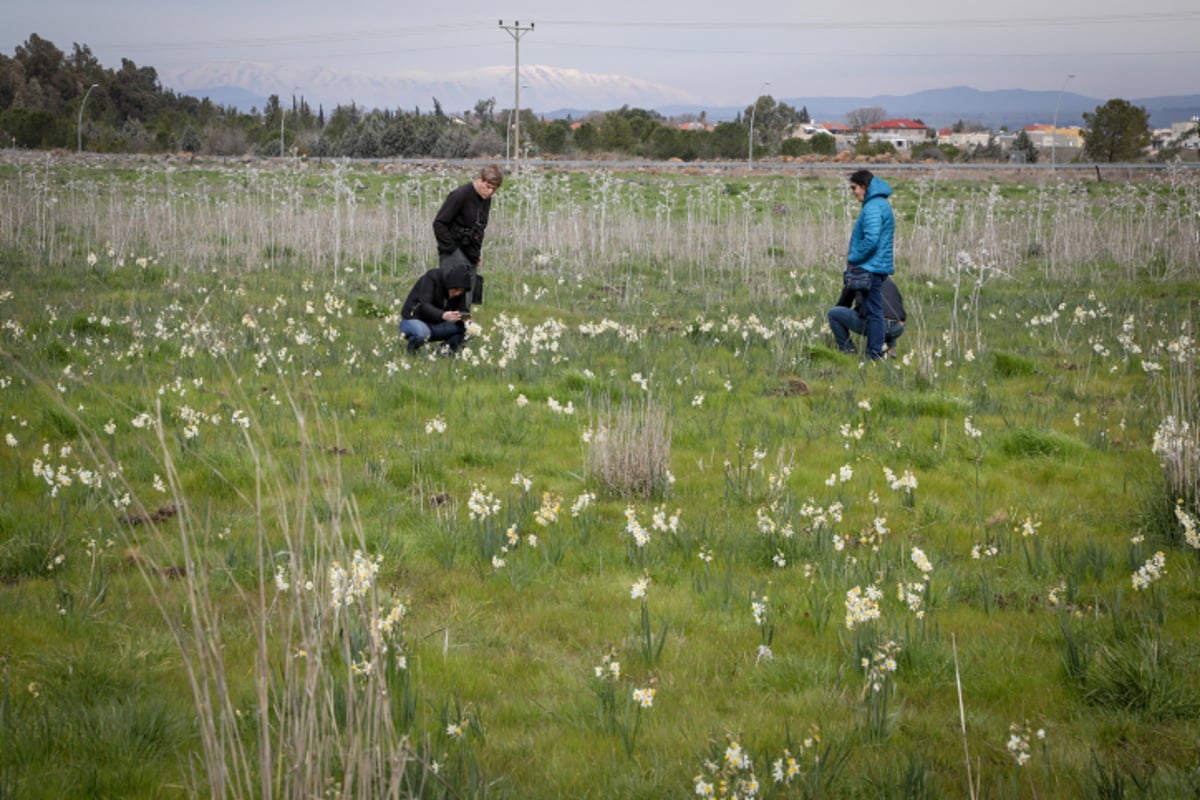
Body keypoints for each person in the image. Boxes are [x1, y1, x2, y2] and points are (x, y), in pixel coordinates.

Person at [432, 164, 503, 310]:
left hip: (470, 254)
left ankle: (463, 332)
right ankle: (440, 330)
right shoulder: (460, 195)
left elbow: (479, 228)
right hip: (453, 253)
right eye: (488, 186)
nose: (490, 192)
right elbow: (439, 223)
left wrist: (476, 255)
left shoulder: (486, 199)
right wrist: (452, 250)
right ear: (479, 179)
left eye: (494, 189)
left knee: (467, 302)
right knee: (452, 300)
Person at [845, 169, 895, 360]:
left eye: (854, 187)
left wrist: (854, 256)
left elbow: (871, 239)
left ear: (864, 187)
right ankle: (881, 349)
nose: (853, 192)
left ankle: (874, 353)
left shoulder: (873, 207)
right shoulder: (879, 204)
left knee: (874, 312)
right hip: (876, 265)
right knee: (871, 309)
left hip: (870, 267)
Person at [399, 260, 473, 354]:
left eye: (461, 291)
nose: (457, 293)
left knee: (470, 328)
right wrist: (443, 315)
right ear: (450, 283)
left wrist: (466, 319)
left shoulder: (459, 292)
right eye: (455, 289)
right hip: (413, 320)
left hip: (437, 325)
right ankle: (412, 350)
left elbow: (462, 312)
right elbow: (424, 306)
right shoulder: (432, 277)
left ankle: (442, 351)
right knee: (422, 334)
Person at [828, 276, 907, 357]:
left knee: (833, 313)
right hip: (899, 327)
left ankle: (848, 350)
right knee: (888, 315)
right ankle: (890, 348)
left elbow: (844, 304)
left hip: (876, 324)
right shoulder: (886, 278)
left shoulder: (856, 278)